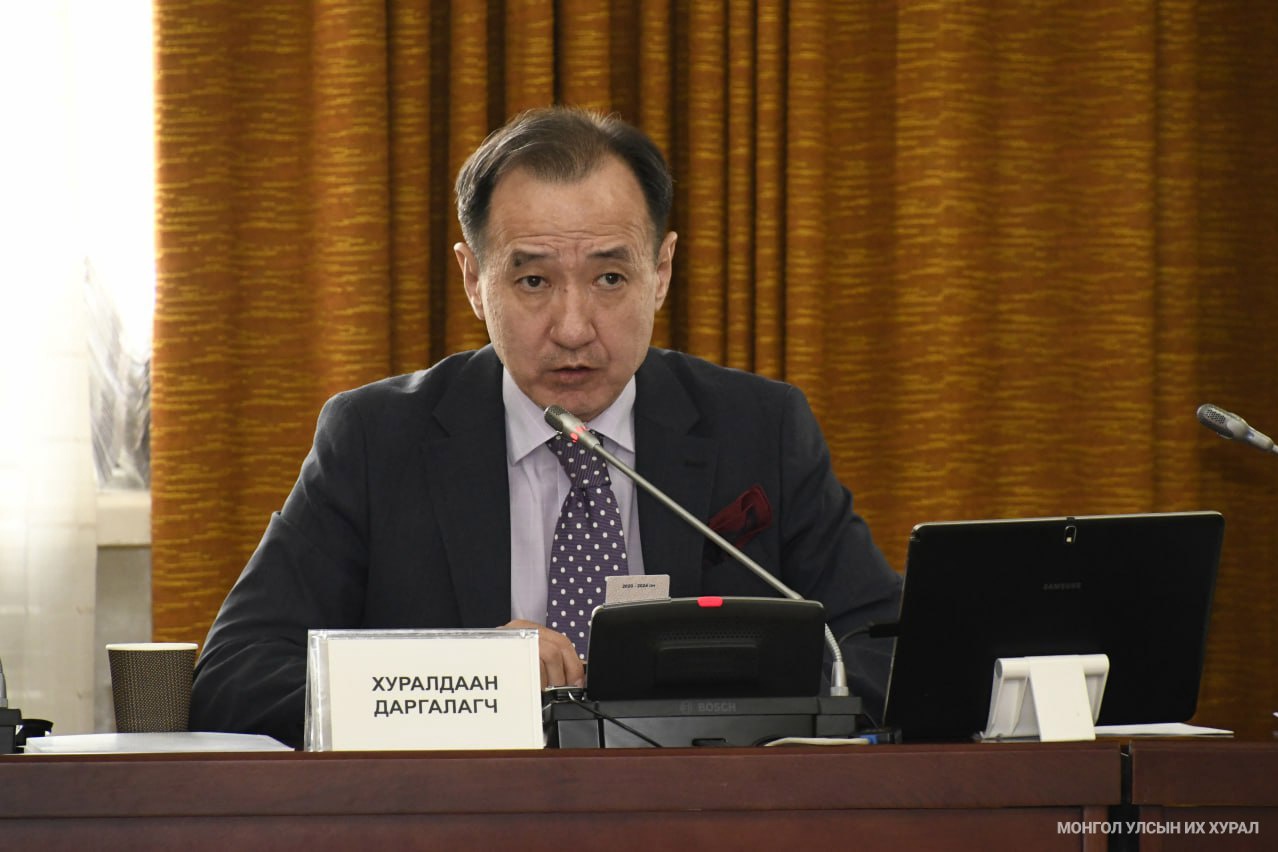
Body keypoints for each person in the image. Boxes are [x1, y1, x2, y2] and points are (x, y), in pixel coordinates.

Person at [189, 106, 902, 749]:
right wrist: (473, 680)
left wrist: (736, 712)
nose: (572, 328)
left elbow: (886, 652)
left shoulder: (759, 429)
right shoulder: (377, 440)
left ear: (661, 271)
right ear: (474, 280)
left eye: (610, 279)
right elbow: (235, 675)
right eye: (533, 281)